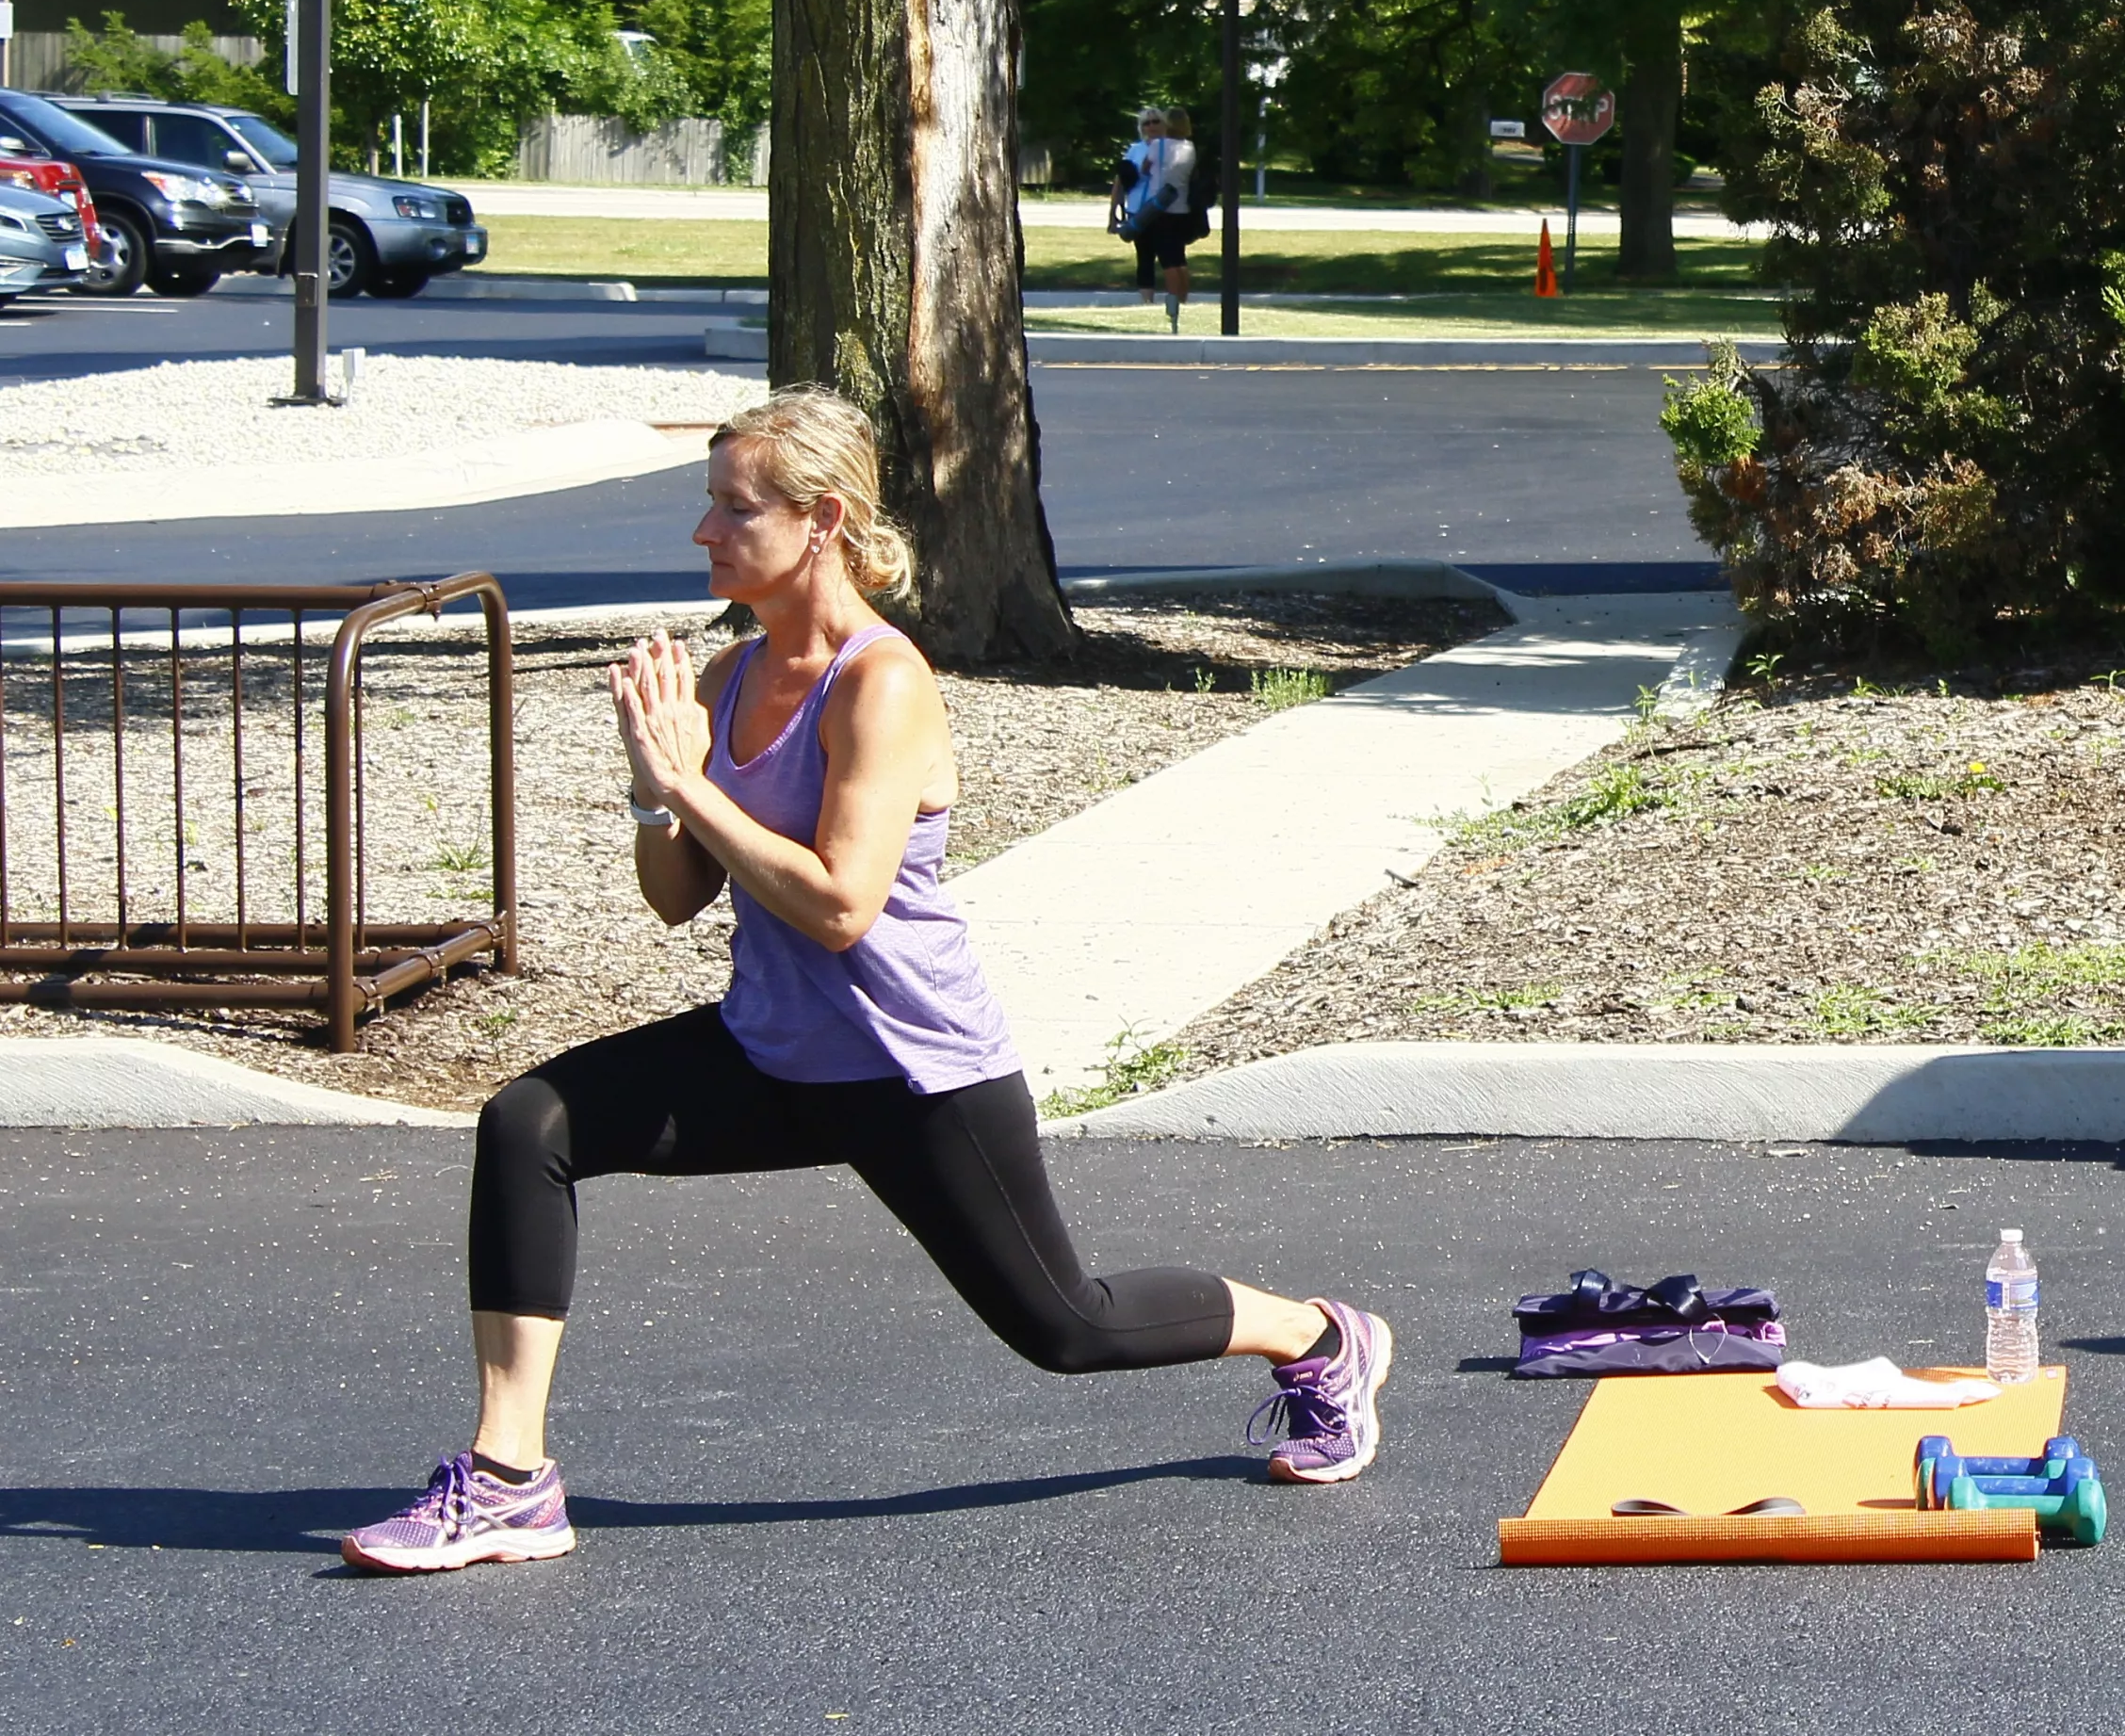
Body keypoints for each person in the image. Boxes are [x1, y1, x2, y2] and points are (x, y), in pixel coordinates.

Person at [341, 386, 1394, 1575]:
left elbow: (843, 906)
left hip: (913, 1068)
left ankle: (1319, 1335)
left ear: (822, 519)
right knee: (527, 1120)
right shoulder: (733, 673)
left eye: (734, 509)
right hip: (772, 1051)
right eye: (709, 506)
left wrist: (695, 791)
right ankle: (508, 1477)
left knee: (1069, 1325)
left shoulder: (879, 680)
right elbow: (677, 894)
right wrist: (657, 785)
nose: (704, 532)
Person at [1108, 106, 1168, 305]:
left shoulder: (1173, 147)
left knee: (1170, 256)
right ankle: (1147, 302)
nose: (1151, 126)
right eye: (1146, 123)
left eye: (1155, 121)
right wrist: (1113, 214)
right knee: (1144, 257)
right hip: (1138, 209)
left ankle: (1176, 300)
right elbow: (1121, 182)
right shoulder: (1135, 149)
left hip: (1166, 209)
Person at [1149, 107, 1201, 332]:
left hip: (1160, 209)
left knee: (1167, 260)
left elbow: (1145, 168)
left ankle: (1173, 302)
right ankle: (1183, 298)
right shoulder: (1189, 148)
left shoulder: (1157, 146)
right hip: (1182, 209)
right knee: (1179, 258)